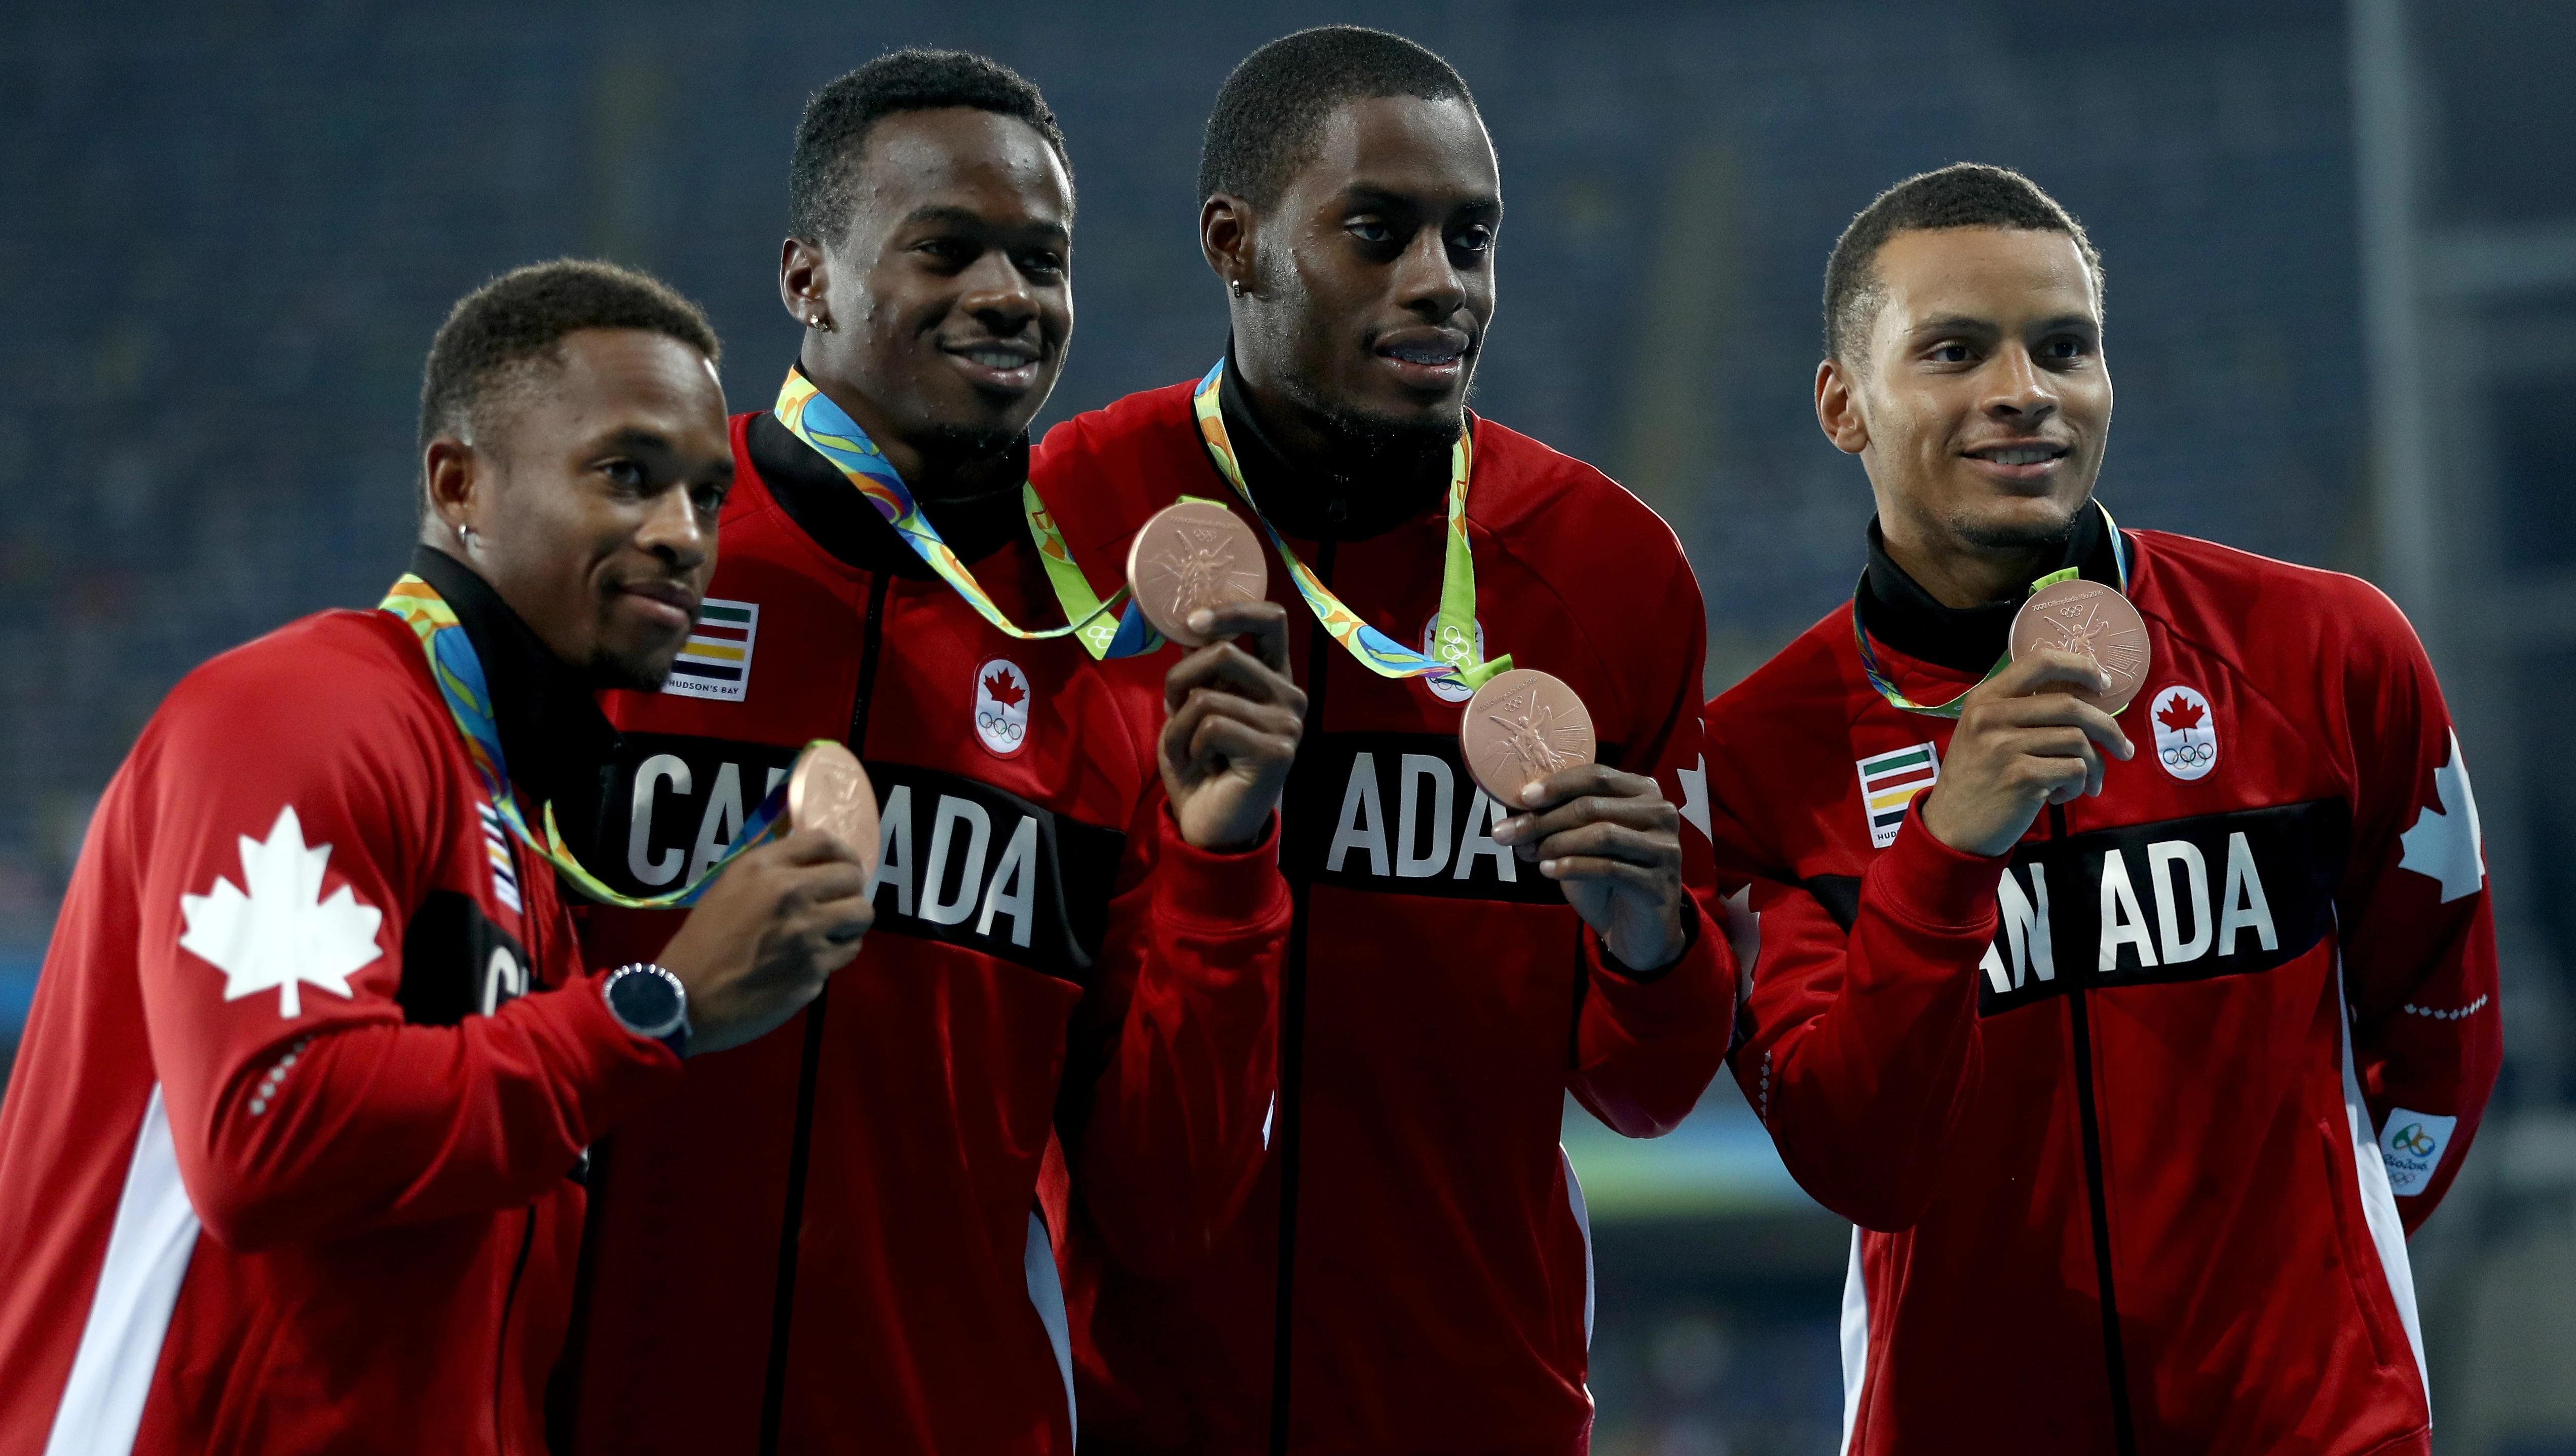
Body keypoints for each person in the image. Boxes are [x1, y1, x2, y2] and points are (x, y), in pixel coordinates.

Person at [551, 51, 1302, 1456]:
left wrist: (1222, 862)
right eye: (945, 249)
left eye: (1043, 258)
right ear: (806, 280)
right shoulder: (619, 564)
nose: (1007, 294)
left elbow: (1165, 1203)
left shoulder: (1109, 649)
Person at [0, 260, 873, 1456]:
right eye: (627, 475)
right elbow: (267, 1129)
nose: (682, 535)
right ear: (459, 484)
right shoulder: (298, 712)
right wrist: (656, 1009)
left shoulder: (521, 835)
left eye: (709, 496)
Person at [1704, 163, 2502, 1453]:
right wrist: (1946, 851)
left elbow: (2440, 1030)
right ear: (1842, 403)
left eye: (2063, 346)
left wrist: (2318, 1296)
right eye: (1956, 350)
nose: (2023, 390)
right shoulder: (1760, 758)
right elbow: (1854, 1151)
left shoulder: (2323, 649)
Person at [1029, 27, 1737, 1455]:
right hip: (1125, 1409)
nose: (1442, 282)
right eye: (1378, 231)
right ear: (1234, 242)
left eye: (1470, 237)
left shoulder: (1610, 571)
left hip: (1478, 1407)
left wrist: (1652, 946)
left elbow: (1644, 1086)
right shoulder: (1071, 515)